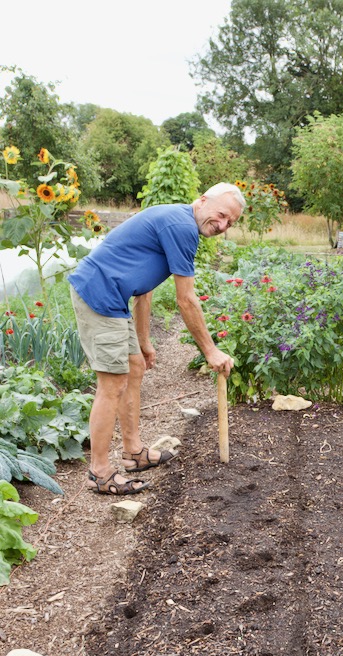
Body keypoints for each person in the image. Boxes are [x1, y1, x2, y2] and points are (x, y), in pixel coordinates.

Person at [67, 182, 245, 495]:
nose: (222, 225)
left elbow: (144, 288)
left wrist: (144, 342)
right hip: (99, 293)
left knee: (134, 366)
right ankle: (100, 472)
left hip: (114, 297)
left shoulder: (178, 222)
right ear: (202, 200)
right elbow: (186, 299)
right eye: (221, 215)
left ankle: (134, 453)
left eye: (230, 222)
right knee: (112, 384)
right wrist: (211, 351)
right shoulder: (181, 226)